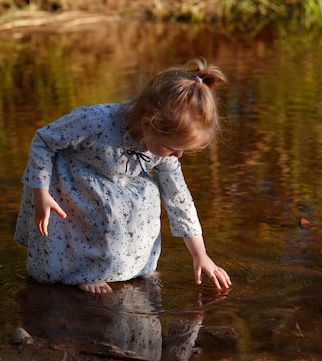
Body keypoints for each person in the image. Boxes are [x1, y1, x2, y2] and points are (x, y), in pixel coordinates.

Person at [14, 57, 232, 294]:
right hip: (72, 184)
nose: (177, 155)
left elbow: (178, 199)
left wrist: (200, 255)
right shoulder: (95, 121)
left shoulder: (163, 143)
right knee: (104, 209)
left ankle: (130, 267)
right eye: (172, 147)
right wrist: (41, 194)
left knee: (147, 198)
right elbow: (44, 140)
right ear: (150, 124)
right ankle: (83, 271)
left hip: (117, 184)